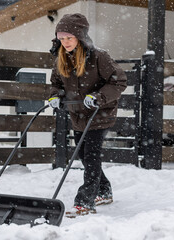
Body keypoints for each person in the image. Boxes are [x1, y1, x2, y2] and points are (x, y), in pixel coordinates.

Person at [48, 13, 127, 217]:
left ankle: (85, 201)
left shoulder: (99, 56)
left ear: (80, 37)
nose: (65, 42)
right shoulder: (61, 58)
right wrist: (54, 96)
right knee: (84, 156)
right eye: (61, 38)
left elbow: (119, 81)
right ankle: (104, 190)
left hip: (99, 114)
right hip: (78, 116)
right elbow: (55, 84)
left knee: (91, 157)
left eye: (69, 38)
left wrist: (99, 97)